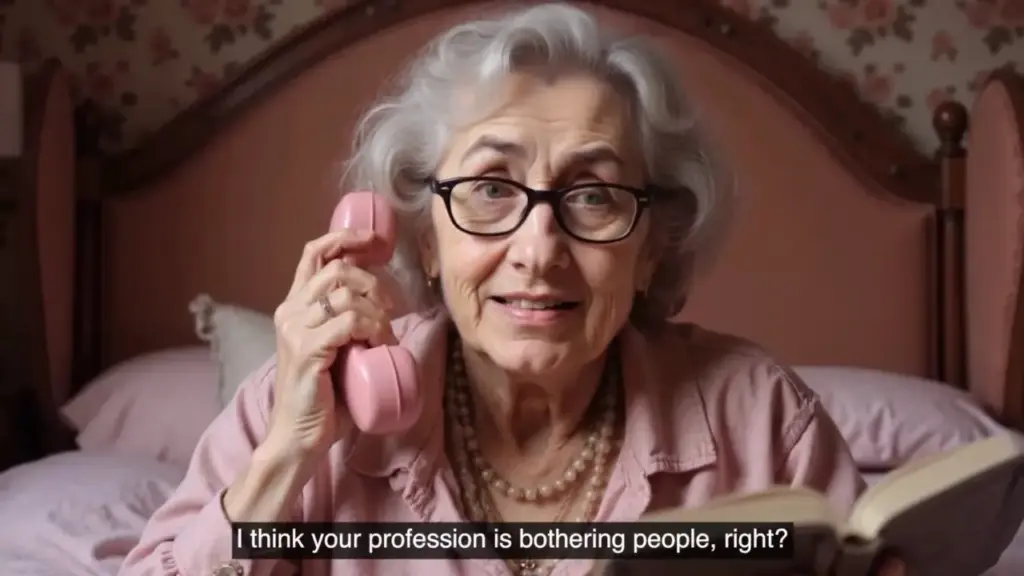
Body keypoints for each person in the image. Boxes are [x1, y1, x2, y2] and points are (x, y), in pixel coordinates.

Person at [119, 4, 910, 576]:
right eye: (492, 188)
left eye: (593, 195)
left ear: (650, 248)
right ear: (423, 238)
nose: (539, 251)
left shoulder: (761, 421)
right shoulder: (293, 412)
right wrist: (284, 460)